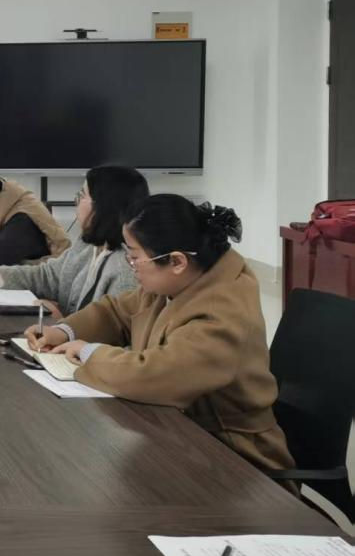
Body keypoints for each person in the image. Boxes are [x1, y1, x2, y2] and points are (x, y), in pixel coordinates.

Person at [25, 195, 293, 474]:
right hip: (181, 435)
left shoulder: (221, 312)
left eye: (134, 257)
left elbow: (153, 374)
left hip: (235, 459)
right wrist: (64, 331)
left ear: (176, 261)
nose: (130, 265)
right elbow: (116, 312)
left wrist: (87, 351)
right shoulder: (180, 280)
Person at [0, 165, 149, 316]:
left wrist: (61, 323)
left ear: (104, 206)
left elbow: (118, 341)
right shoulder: (88, 244)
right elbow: (48, 276)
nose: (75, 201)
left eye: (82, 195)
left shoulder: (125, 271)